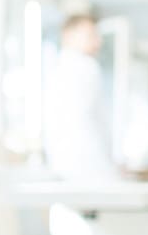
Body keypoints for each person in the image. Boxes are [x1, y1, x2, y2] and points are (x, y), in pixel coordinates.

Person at [45, 13, 119, 180]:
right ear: (68, 36)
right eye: (91, 36)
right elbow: (90, 121)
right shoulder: (85, 66)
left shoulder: (58, 70)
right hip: (89, 163)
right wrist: (108, 165)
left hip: (65, 164)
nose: (98, 42)